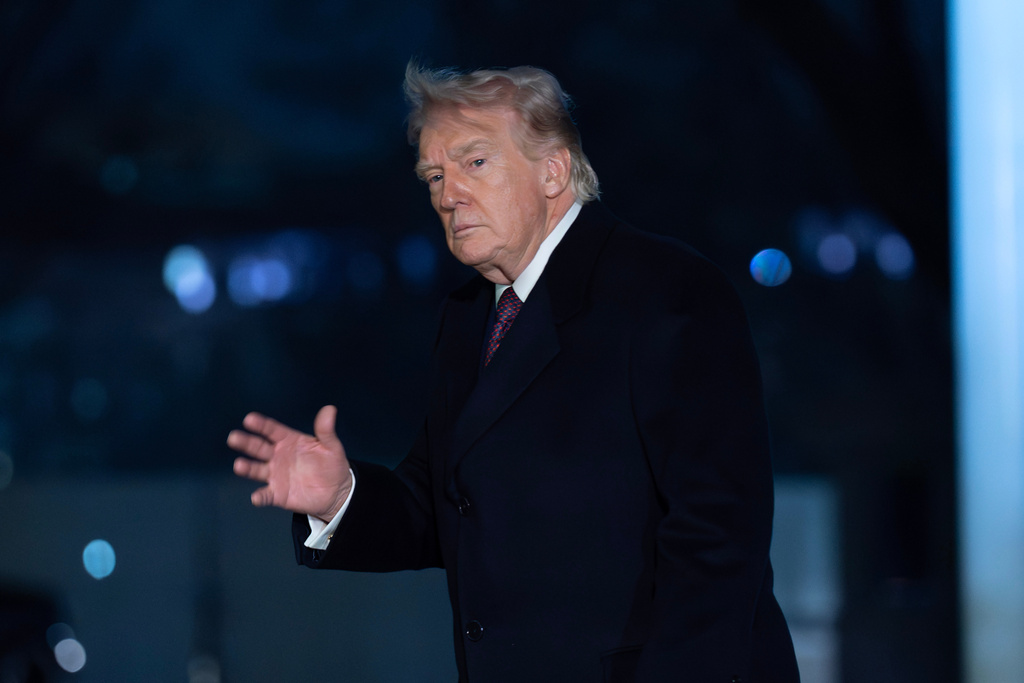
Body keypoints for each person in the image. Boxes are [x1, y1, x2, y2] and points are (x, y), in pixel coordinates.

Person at [229, 62, 800, 683]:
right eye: (435, 175)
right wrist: (342, 499)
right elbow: (448, 506)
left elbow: (717, 539)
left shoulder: (667, 291)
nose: (448, 195)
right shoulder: (468, 316)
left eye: (475, 163)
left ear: (553, 170)